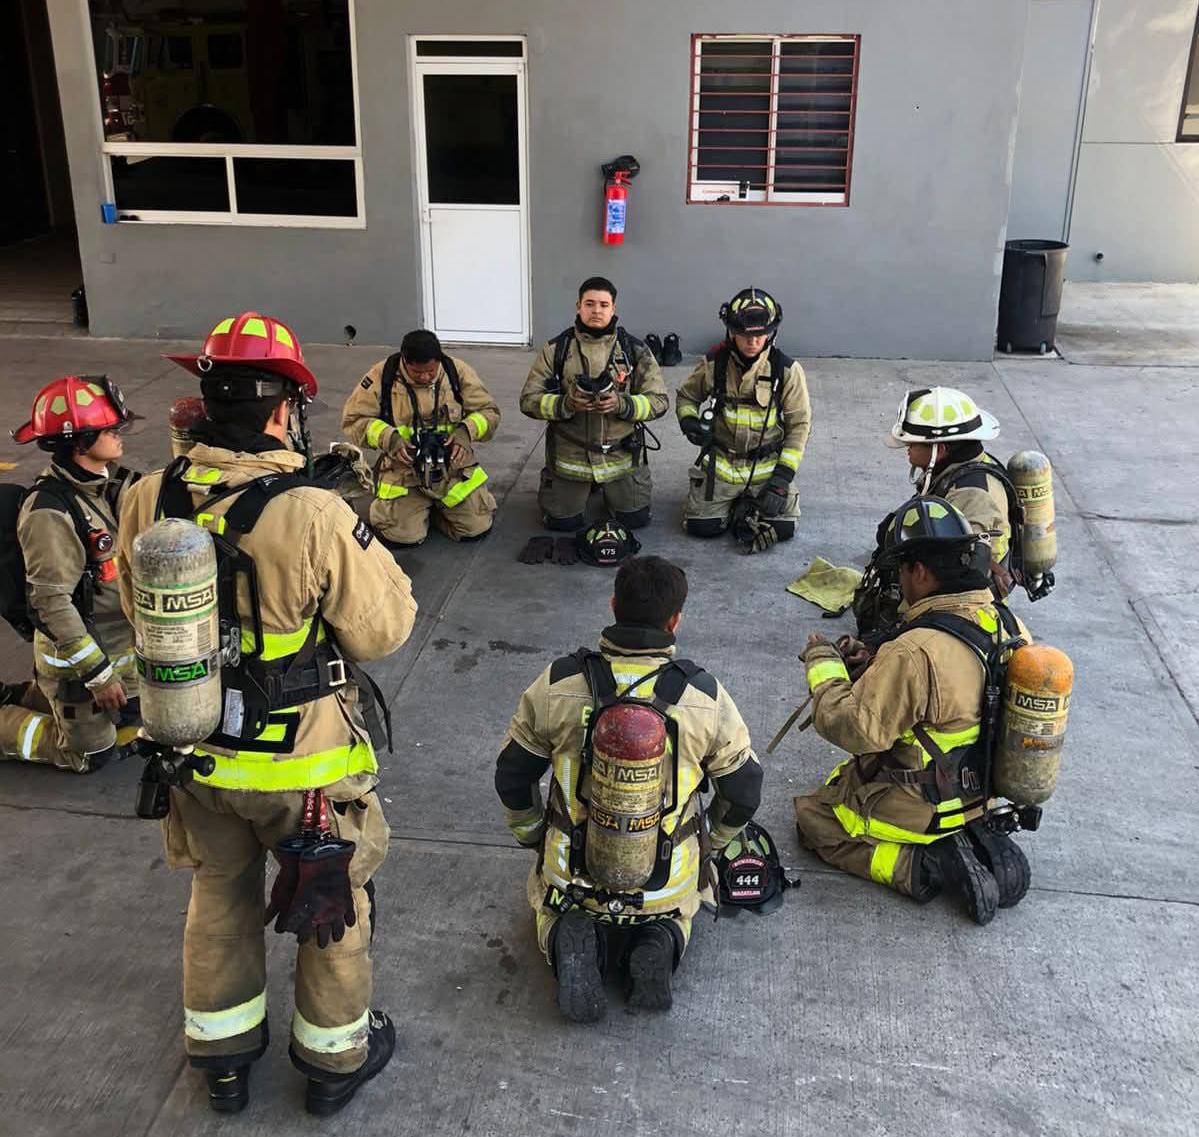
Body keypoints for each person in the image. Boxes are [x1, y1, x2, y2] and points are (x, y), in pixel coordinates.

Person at [117, 312, 418, 1116]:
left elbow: (136, 611)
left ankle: (221, 1061)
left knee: (219, 896)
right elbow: (382, 630)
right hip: (304, 771)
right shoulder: (312, 511)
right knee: (330, 906)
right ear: (284, 410)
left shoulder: (147, 495)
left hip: (195, 756)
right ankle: (332, 1063)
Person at [495, 555, 762, 1021]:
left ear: (613, 604)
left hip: (570, 879)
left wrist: (532, 834)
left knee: (549, 910)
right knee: (680, 916)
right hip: (665, 884)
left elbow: (512, 773)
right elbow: (745, 789)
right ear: (675, 620)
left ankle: (565, 937)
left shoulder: (560, 682)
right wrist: (711, 846)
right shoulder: (704, 696)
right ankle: (660, 940)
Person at [793, 496, 1032, 927]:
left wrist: (822, 664)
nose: (898, 582)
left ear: (919, 572)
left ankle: (925, 866)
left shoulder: (914, 651)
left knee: (816, 820)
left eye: (901, 571)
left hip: (926, 803)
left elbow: (854, 729)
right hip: (984, 792)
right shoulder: (1006, 624)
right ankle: (974, 836)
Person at [0, 376, 139, 772]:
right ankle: (51, 705)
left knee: (135, 721)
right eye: (111, 429)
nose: (120, 435)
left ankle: (40, 698)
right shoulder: (49, 513)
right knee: (90, 755)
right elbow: (51, 601)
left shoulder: (105, 486)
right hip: (77, 663)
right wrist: (97, 675)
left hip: (115, 652)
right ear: (80, 442)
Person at [519, 277, 667, 531]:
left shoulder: (634, 350)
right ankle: (579, 492)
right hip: (571, 458)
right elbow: (528, 400)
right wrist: (566, 404)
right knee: (561, 525)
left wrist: (623, 405)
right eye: (589, 304)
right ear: (578, 306)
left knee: (634, 521)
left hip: (621, 458)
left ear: (613, 308)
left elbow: (659, 400)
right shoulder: (557, 350)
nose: (596, 310)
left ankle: (612, 493)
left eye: (603, 304)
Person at [676, 287, 811, 553]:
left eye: (761, 334)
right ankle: (738, 506)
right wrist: (690, 422)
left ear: (771, 332)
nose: (753, 341)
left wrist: (782, 479)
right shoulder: (714, 364)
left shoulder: (786, 370)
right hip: (722, 464)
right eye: (745, 335)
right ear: (731, 331)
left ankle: (746, 504)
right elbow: (686, 397)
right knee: (702, 528)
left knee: (783, 530)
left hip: (767, 469)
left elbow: (799, 425)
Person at [341, 329, 499, 547]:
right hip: (404, 471)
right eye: (417, 372)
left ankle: (433, 514)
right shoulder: (382, 376)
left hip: (452, 468)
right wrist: (390, 439)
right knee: (400, 537)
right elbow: (354, 420)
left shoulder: (457, 371)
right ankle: (415, 513)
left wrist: (465, 432)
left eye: (431, 371)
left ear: (439, 360)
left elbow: (489, 412)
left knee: (475, 529)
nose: (425, 377)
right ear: (405, 361)